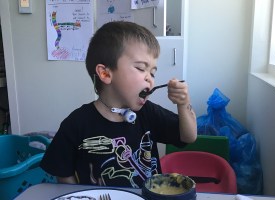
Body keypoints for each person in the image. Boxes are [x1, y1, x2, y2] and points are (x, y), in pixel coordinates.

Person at [41, 21, 197, 188]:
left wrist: (183, 104)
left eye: (152, 72)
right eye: (140, 68)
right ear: (105, 73)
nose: (150, 78)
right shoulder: (76, 123)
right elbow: (62, 173)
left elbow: (189, 136)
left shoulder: (147, 113)